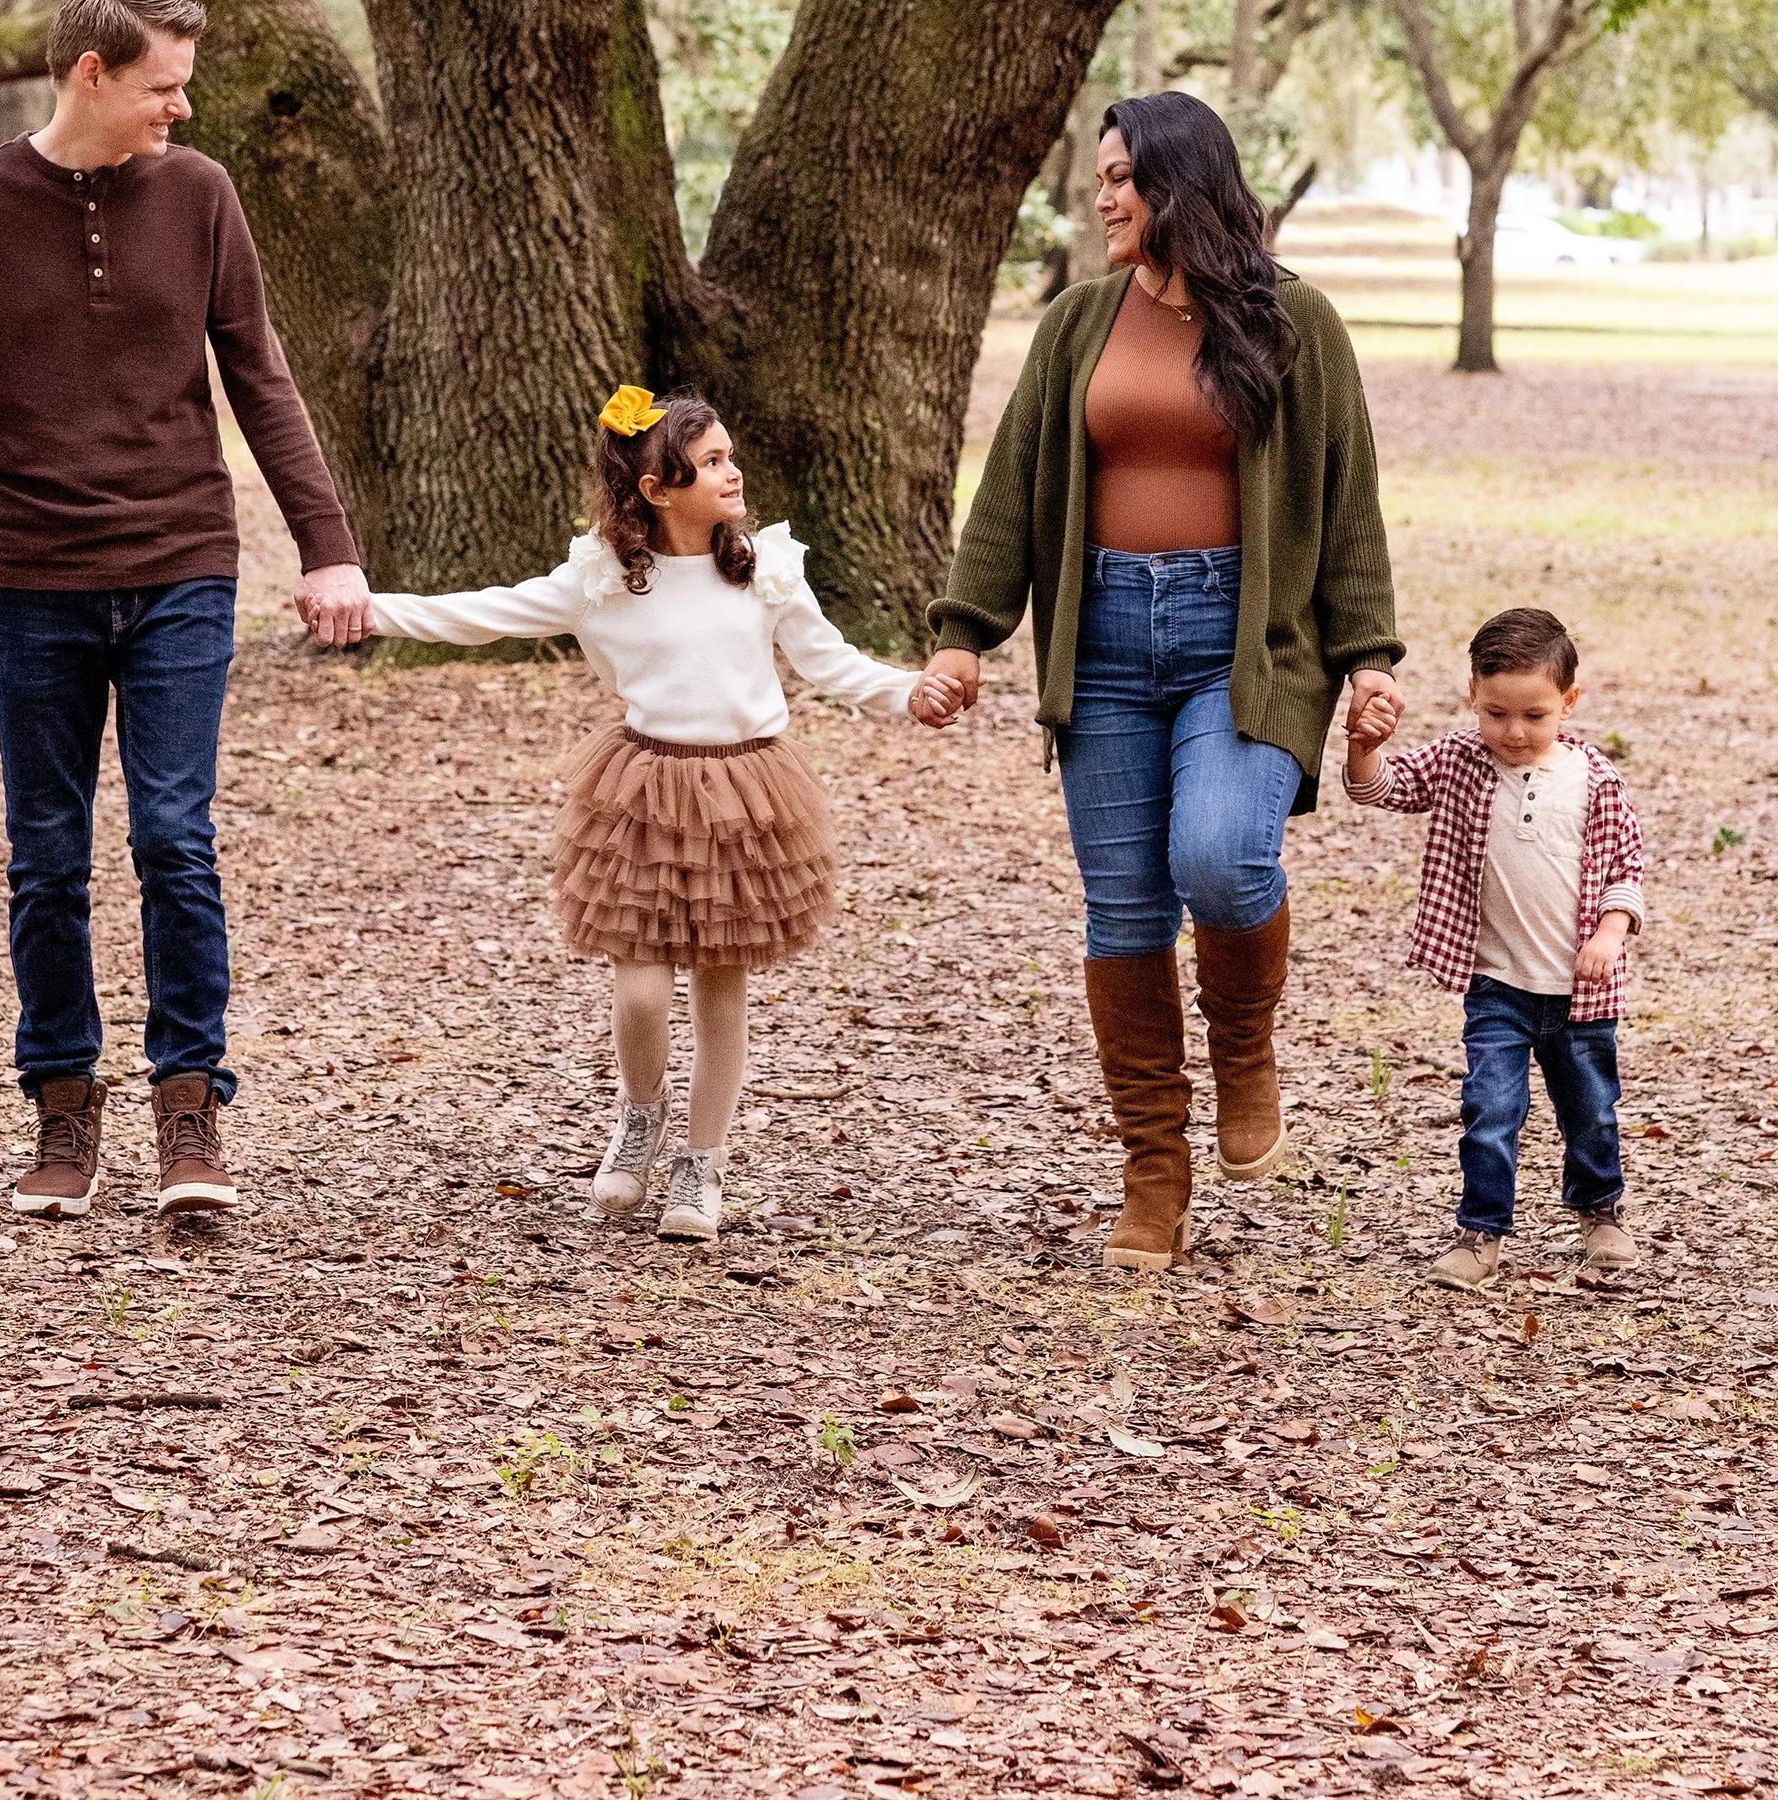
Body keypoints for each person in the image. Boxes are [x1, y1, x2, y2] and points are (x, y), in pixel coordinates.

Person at [0, 0, 372, 1221]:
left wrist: (328, 546)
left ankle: (188, 1105)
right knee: (46, 857)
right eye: (164, 86)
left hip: (181, 568)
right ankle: (60, 1105)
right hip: (31, 577)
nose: (182, 111)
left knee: (173, 838)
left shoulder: (199, 196)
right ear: (91, 73)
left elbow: (261, 377)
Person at [923, 92, 1402, 1273]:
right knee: (1125, 913)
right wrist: (963, 633)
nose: (1103, 197)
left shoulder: (1296, 323)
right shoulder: (1077, 323)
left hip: (1242, 641)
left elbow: (1345, 504)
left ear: (1183, 183)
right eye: (1100, 177)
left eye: (1124, 176)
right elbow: (1012, 495)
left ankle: (1241, 1043)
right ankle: (1153, 1173)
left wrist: (1369, 660)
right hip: (1102, 645)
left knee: (1223, 858)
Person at [331, 388, 959, 1243]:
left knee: (722, 979)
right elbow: (482, 614)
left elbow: (829, 661)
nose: (733, 473)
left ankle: (703, 1160)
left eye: (731, 457)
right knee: (639, 989)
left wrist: (905, 691)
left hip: (749, 793)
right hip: (645, 791)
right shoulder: (601, 581)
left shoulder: (766, 569)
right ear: (659, 489)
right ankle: (641, 1112)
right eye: (711, 463)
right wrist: (372, 609)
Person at [1342, 606, 1642, 1288]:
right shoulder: (1457, 760)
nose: (1513, 731)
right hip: (1497, 985)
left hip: (1581, 991)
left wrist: (1608, 931)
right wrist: (1363, 744)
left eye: (1534, 715)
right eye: (1496, 712)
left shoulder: (1595, 779)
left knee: (1590, 1109)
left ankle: (1599, 1212)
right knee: (1489, 1110)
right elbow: (1380, 786)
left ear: (1568, 703)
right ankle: (1481, 1233)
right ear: (1472, 695)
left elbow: (1628, 870)